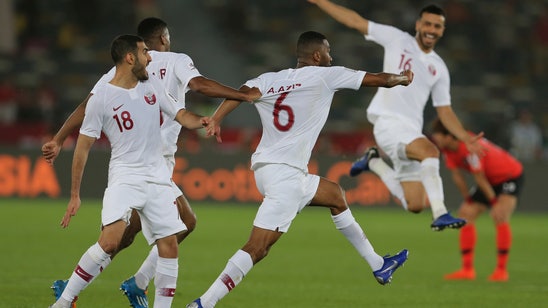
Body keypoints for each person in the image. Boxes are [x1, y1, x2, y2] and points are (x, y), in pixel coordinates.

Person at [42, 17, 260, 308]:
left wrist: (58, 138)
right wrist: (241, 95)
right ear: (162, 39)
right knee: (131, 235)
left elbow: (176, 113)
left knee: (154, 235)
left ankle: (119, 284)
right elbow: (198, 84)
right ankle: (96, 287)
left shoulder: (140, 78)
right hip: (138, 167)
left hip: (155, 167)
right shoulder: (171, 62)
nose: (150, 56)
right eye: (146, 52)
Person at [186, 30, 413, 308]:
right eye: (328, 52)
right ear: (317, 56)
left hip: (268, 170)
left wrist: (217, 119)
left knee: (335, 195)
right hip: (286, 177)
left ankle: (378, 264)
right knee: (257, 248)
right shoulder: (326, 75)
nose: (332, 57)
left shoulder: (269, 80)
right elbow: (379, 79)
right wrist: (403, 78)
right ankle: (203, 304)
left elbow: (242, 94)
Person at [308, 0, 485, 231]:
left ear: (442, 30)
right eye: (428, 24)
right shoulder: (397, 39)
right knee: (430, 151)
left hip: (411, 131)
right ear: (418, 24)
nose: (432, 30)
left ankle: (374, 162)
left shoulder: (439, 67)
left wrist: (464, 136)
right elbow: (355, 21)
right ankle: (441, 213)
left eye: (437, 26)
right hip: (388, 122)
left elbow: (445, 110)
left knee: (415, 204)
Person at [430, 118, 523, 282]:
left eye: (438, 136)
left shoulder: (470, 147)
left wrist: (494, 204)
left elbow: (479, 178)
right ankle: (467, 270)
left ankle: (501, 271)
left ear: (449, 136)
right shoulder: (448, 150)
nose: (435, 140)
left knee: (499, 215)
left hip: (509, 175)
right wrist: (468, 199)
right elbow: (457, 176)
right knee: (465, 213)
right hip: (489, 180)